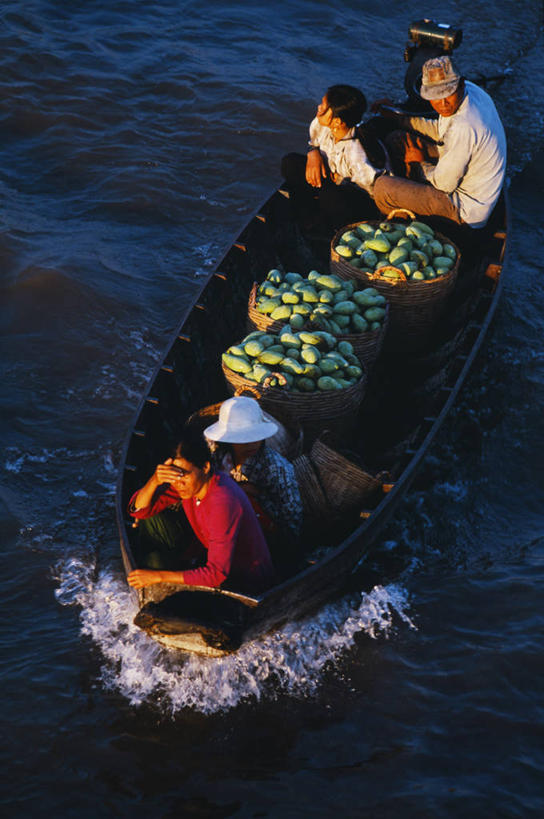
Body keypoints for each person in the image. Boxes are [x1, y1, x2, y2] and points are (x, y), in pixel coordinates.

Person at [126, 427, 276, 595]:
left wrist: (158, 577)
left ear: (205, 467)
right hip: (210, 559)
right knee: (150, 520)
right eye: (174, 476)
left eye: (184, 475)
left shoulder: (222, 500)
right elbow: (139, 510)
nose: (178, 483)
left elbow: (217, 574)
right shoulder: (190, 483)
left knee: (155, 562)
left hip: (244, 583)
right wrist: (154, 481)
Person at [372, 56, 507, 230]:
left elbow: (444, 185)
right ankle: (411, 194)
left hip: (465, 210)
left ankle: (402, 227)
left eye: (448, 94)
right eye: (436, 97)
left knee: (383, 188)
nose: (443, 104)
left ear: (461, 84)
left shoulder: (465, 126)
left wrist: (421, 162)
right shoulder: (473, 92)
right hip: (463, 168)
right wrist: (401, 119)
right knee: (398, 140)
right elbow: (440, 130)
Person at [204, 396, 303, 574]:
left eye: (254, 437)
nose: (250, 443)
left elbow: (292, 523)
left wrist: (253, 494)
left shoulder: (277, 468)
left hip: (264, 539)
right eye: (242, 439)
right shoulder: (217, 455)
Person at [281, 84, 383, 232]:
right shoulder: (322, 125)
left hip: (358, 200)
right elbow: (313, 142)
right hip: (332, 182)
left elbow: (373, 192)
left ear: (337, 122)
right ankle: (308, 217)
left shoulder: (357, 154)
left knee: (329, 196)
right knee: (290, 163)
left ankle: (334, 229)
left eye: (323, 106)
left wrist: (340, 180)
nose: (319, 107)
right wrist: (313, 153)